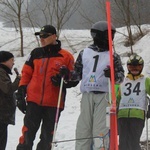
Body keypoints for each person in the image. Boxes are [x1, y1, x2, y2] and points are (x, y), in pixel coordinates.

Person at [16, 25, 78, 150]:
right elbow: (26, 73)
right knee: (27, 134)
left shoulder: (66, 56)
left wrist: (63, 79)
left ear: (54, 36)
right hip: (34, 101)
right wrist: (21, 91)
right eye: (40, 36)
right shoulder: (36, 53)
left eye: (45, 36)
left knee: (47, 138)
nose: (42, 39)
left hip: (54, 103)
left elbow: (74, 78)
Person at [72, 21, 124, 150]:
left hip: (104, 96)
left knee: (100, 130)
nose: (110, 39)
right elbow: (76, 74)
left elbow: (120, 77)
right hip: (87, 95)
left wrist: (112, 75)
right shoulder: (85, 53)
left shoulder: (113, 55)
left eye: (112, 35)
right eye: (108, 35)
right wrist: (65, 75)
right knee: (83, 129)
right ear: (97, 35)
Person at [117, 54, 150, 150]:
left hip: (137, 115)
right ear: (127, 67)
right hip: (122, 115)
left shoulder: (145, 80)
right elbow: (118, 97)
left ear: (141, 67)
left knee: (133, 142)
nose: (134, 69)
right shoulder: (122, 81)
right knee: (123, 143)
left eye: (137, 66)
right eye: (131, 66)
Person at [0, 51, 21, 150]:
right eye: (11, 60)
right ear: (4, 61)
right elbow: (8, 89)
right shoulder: (0, 72)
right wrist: (19, 80)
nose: (13, 63)